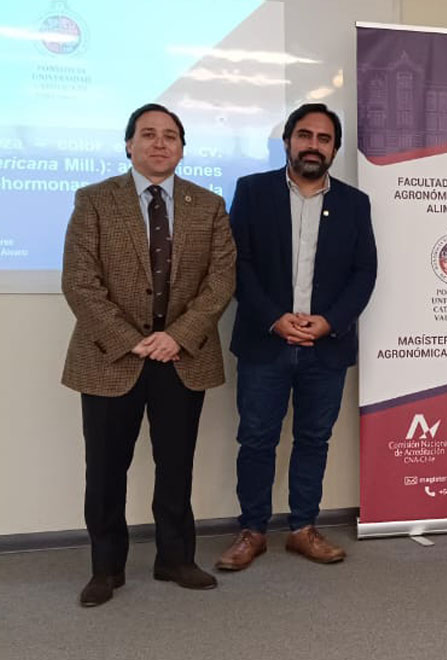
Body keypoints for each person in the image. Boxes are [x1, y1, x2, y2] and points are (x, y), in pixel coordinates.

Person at [62, 103, 236, 606]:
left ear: (182, 148)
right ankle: (105, 569)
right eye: (148, 134)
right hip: (109, 356)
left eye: (171, 136)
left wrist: (177, 335)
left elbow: (221, 279)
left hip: (183, 356)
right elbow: (79, 280)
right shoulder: (94, 200)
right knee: (105, 469)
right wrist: (128, 339)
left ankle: (176, 559)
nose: (160, 143)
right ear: (129, 144)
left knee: (176, 465)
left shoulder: (208, 204)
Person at [216, 103, 376, 570]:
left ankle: (303, 527)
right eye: (304, 135)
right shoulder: (253, 191)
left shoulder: (354, 203)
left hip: (326, 345)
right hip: (266, 342)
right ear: (287, 141)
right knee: (257, 439)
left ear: (334, 149)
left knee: (313, 439)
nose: (313, 145)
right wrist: (273, 318)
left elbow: (364, 271)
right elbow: (237, 263)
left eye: (324, 139)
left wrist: (329, 322)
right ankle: (253, 531)